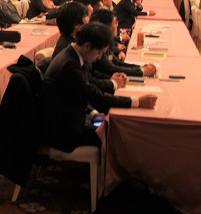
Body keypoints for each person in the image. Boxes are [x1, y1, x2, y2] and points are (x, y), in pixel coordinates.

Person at [41, 22, 158, 152]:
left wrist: (93, 113)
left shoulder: (75, 54)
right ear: (87, 46)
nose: (99, 57)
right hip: (64, 131)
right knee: (120, 134)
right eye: (99, 53)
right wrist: (137, 101)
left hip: (73, 116)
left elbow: (86, 87)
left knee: (113, 124)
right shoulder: (70, 65)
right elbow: (96, 96)